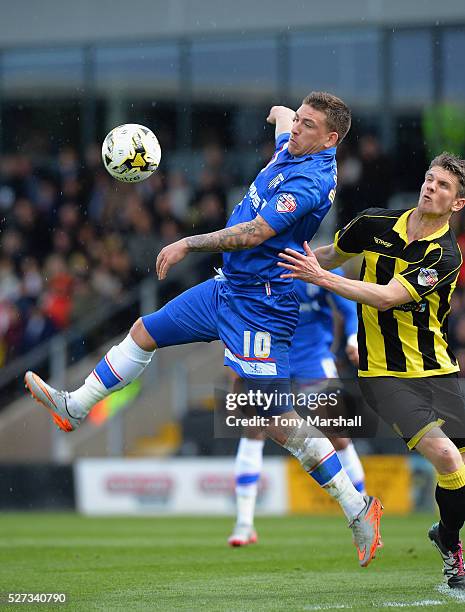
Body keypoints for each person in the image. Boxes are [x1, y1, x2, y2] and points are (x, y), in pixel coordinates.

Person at [25, 92, 382, 568]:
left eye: (308, 125)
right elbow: (279, 117)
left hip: (262, 306)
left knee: (272, 421)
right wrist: (280, 113)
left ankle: (357, 507)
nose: (296, 129)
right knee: (144, 330)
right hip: (227, 289)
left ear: (330, 140)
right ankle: (76, 405)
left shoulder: (311, 181)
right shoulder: (294, 144)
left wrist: (186, 243)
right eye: (298, 120)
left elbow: (254, 233)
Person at [278, 151, 465, 589]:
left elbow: (385, 297)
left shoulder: (446, 256)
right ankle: (455, 556)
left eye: (443, 186)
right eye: (429, 179)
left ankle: (447, 537)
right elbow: (325, 255)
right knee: (447, 456)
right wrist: (278, 264)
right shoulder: (373, 224)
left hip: (438, 370)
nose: (430, 188)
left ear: (457, 204)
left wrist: (322, 279)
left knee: (458, 476)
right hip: (384, 374)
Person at [228, 271, 366, 547]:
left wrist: (352, 338)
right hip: (269, 359)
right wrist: (235, 365)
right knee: (254, 428)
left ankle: (363, 517)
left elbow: (349, 308)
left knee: (337, 435)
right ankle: (244, 524)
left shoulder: (320, 269)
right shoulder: (259, 268)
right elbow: (237, 316)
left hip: (312, 359)